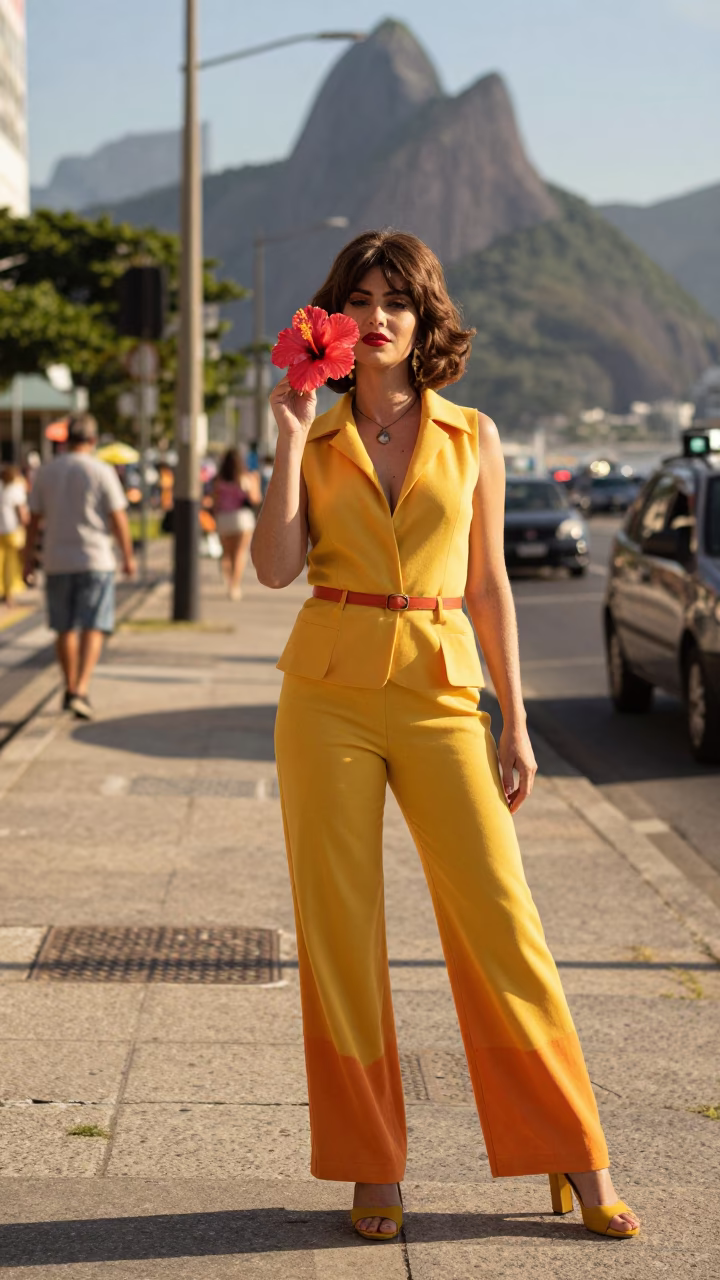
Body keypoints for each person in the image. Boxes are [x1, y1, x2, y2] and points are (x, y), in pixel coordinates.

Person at [251, 231, 640, 1244]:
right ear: (330, 321)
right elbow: (274, 566)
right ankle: (369, 1164)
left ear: (424, 321)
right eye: (360, 299)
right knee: (340, 935)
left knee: (502, 919)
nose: (378, 316)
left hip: (440, 685)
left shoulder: (474, 434)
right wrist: (290, 437)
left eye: (399, 301)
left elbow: (489, 585)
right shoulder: (317, 427)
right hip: (325, 689)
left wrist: (515, 718)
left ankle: (576, 1150)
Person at [23, 414, 135, 719]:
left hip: (56, 559)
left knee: (64, 627)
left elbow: (33, 520)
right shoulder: (101, 470)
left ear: (65, 439)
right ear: (93, 440)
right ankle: (81, 689)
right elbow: (118, 517)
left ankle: (69, 685)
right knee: (93, 625)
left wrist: (27, 559)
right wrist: (128, 556)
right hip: (96, 559)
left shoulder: (46, 472)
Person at [212, 448, 261, 600]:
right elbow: (255, 499)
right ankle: (235, 586)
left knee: (226, 553)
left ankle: (228, 582)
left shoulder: (218, 480)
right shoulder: (245, 478)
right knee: (240, 553)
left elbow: (215, 502)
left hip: (224, 518)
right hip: (242, 518)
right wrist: (256, 482)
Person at [0, 465, 29, 608]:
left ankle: (3, 591)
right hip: (11, 531)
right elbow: (22, 513)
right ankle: (9, 594)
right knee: (11, 564)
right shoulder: (15, 490)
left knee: (0, 563)